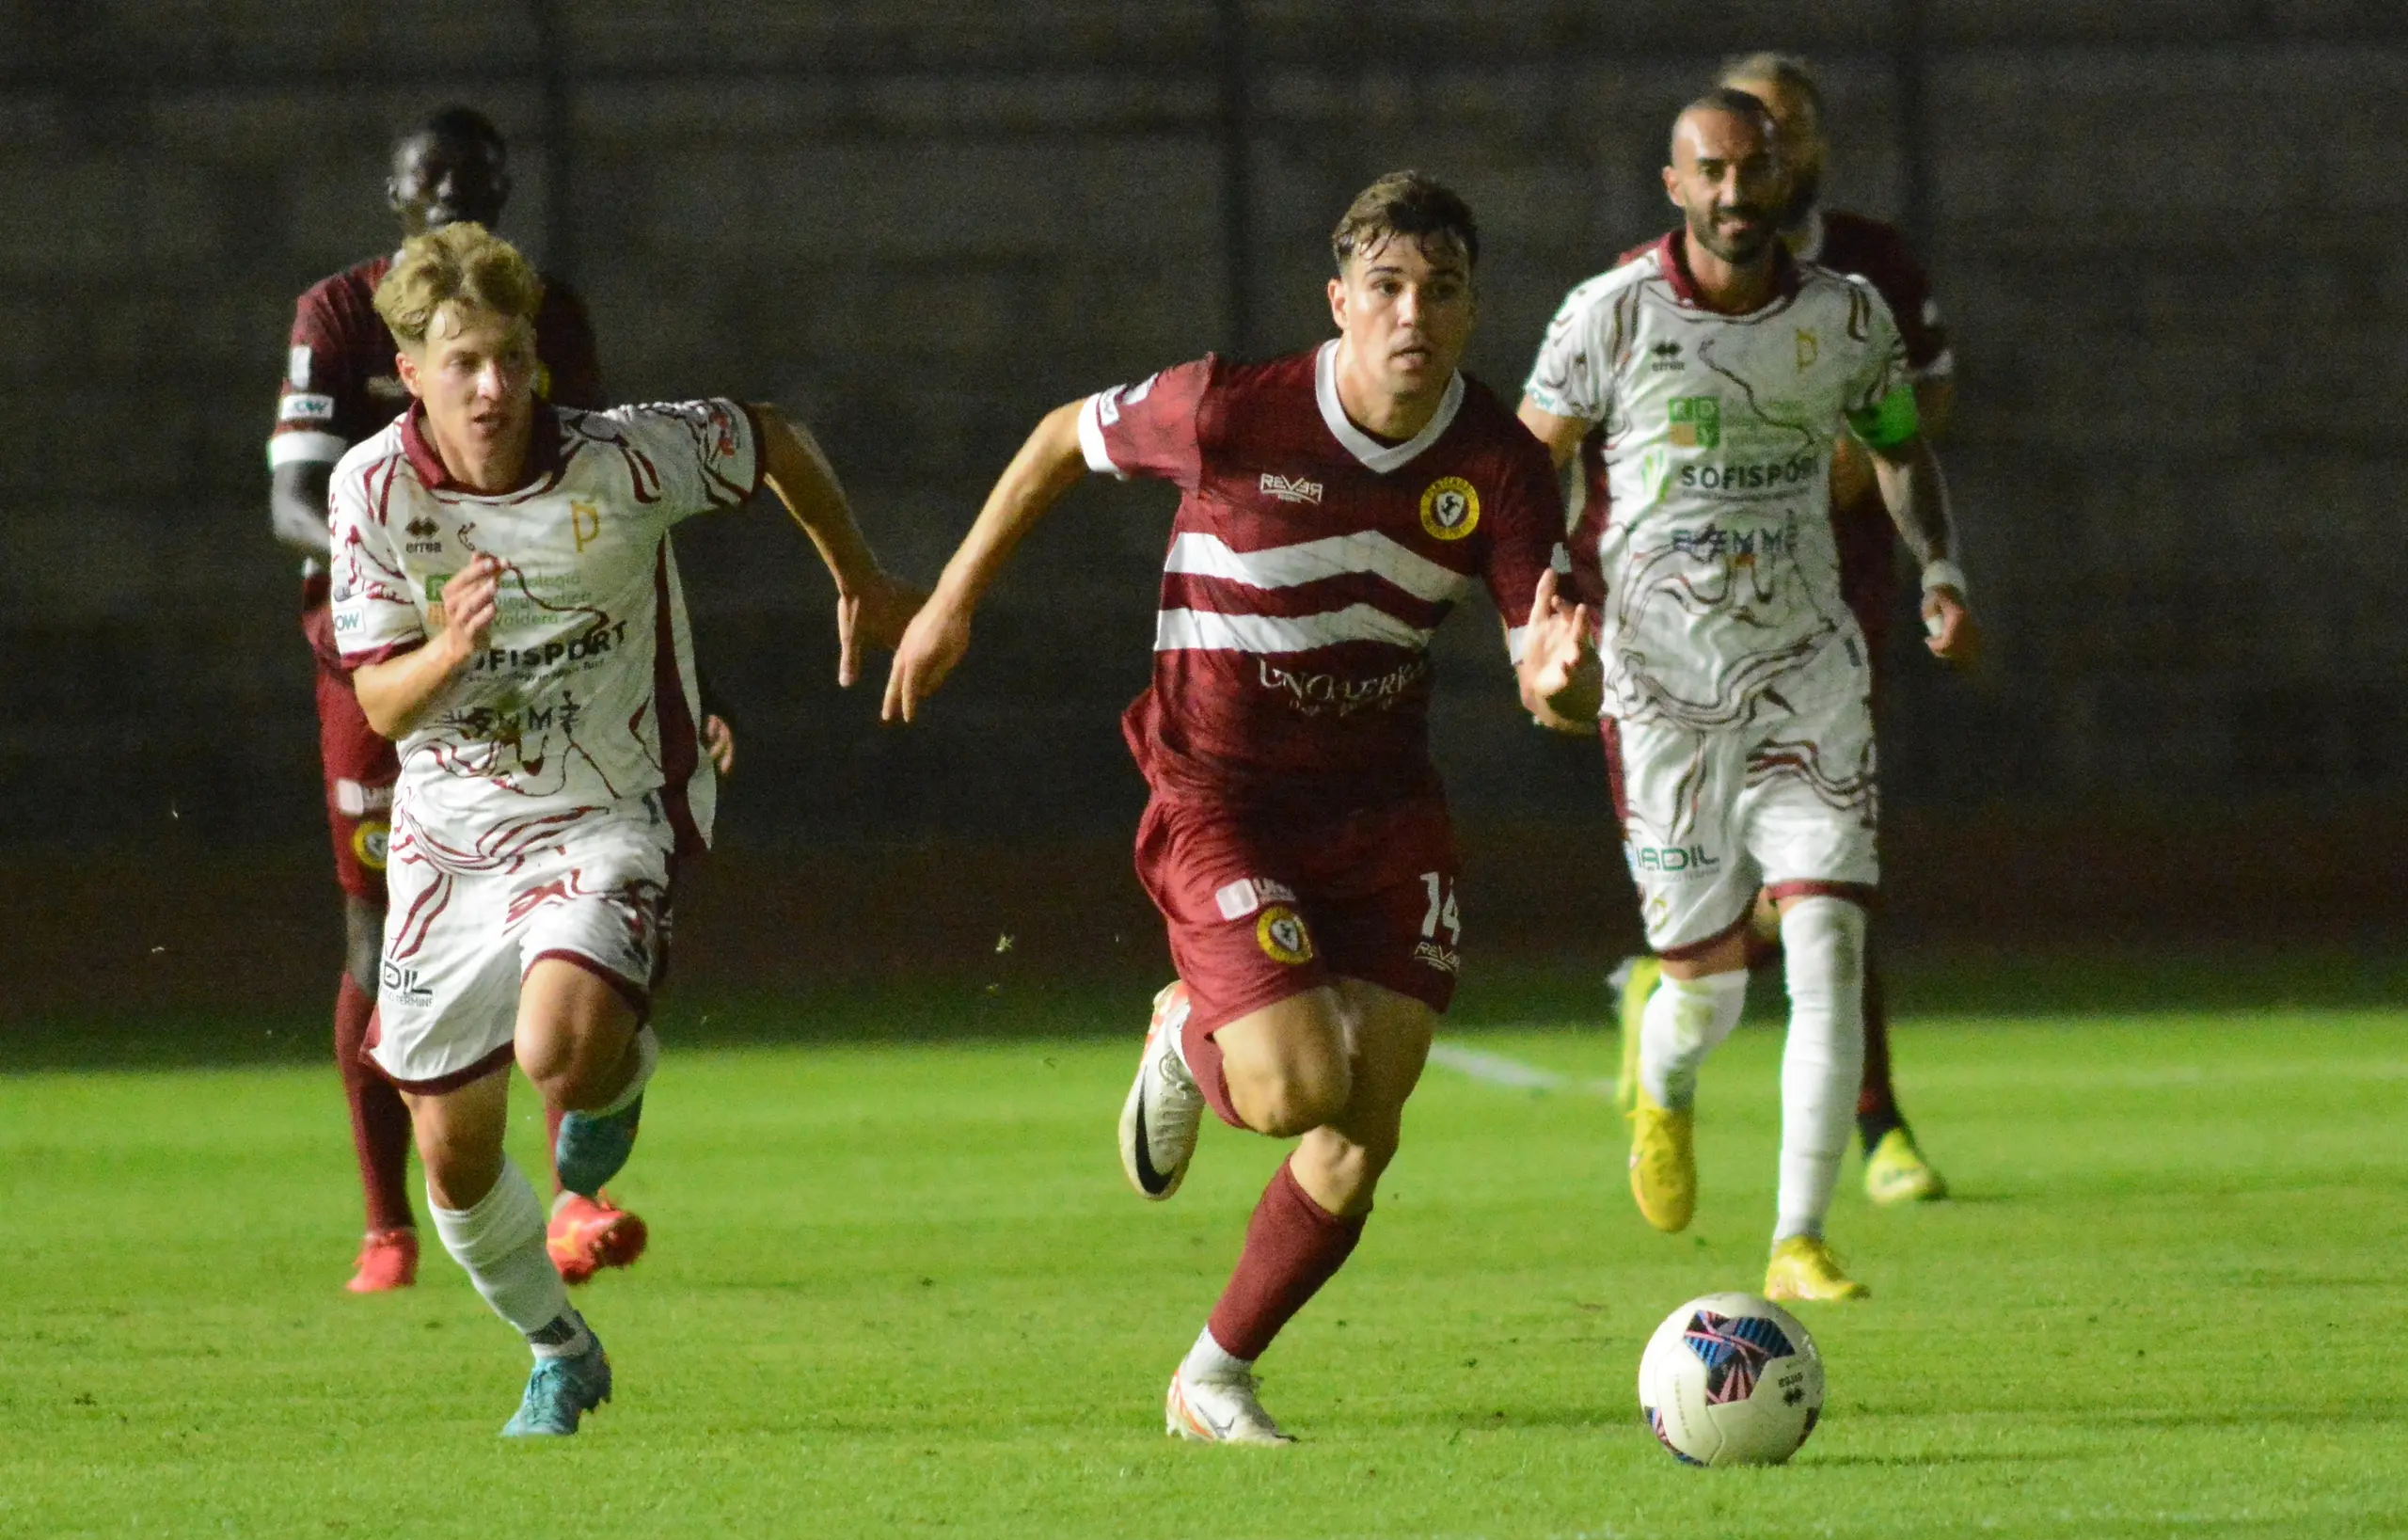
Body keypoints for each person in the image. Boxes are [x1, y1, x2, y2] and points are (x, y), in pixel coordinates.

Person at [884, 173, 1568, 1443]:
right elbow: (1053, 440)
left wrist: (1565, 685)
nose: (1413, 313)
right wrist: (951, 599)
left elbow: (1548, 660)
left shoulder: (1501, 465)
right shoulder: (1232, 408)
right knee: (1303, 1085)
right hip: (1222, 791)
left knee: (1375, 1111)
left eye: (1443, 290)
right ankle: (1191, 1024)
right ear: (1340, 301)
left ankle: (1212, 1376)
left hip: (1380, 798)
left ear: (1474, 310)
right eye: (1387, 288)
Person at [328, 221, 914, 1433]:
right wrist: (446, 644)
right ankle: (559, 1346)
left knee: (562, 1044)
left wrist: (854, 573)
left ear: (534, 358)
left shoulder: (625, 457)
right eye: (461, 364)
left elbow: (770, 436)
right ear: (413, 375)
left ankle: (616, 1066)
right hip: (450, 837)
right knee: (451, 1150)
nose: (491, 387)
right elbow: (378, 697)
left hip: (609, 803)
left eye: (508, 358)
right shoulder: (371, 489)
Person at [1515, 91, 1980, 1301]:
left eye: (1752, 169)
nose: (1734, 192)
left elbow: (1895, 443)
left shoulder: (1844, 315)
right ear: (1674, 184)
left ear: (1781, 179)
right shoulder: (1607, 316)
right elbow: (1523, 467)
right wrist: (1536, 623)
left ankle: (1796, 1234)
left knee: (1827, 933)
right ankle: (1661, 1079)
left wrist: (1938, 568)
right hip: (1661, 693)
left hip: (1807, 679)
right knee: (1708, 990)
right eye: (1709, 171)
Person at [269, 106, 729, 1294]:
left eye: (474, 184)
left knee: (563, 978)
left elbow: (604, 512)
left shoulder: (545, 310)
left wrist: (679, 691)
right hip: (377, 654)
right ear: (391, 192)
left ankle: (575, 1184)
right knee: (376, 934)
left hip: (528, 651)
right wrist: (418, 573)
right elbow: (290, 501)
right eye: (430, 184)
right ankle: (388, 1223)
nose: (452, 202)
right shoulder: (335, 312)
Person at [1703, 50, 1961, 1203]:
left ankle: (1880, 1124)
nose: (1770, 144)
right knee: (1753, 863)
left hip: (1835, 604)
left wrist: (1873, 478)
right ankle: (1686, 974)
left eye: (1790, 125)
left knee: (1836, 857)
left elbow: (1928, 399)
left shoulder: (1871, 268)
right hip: (1706, 611)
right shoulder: (1664, 285)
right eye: (1749, 124)